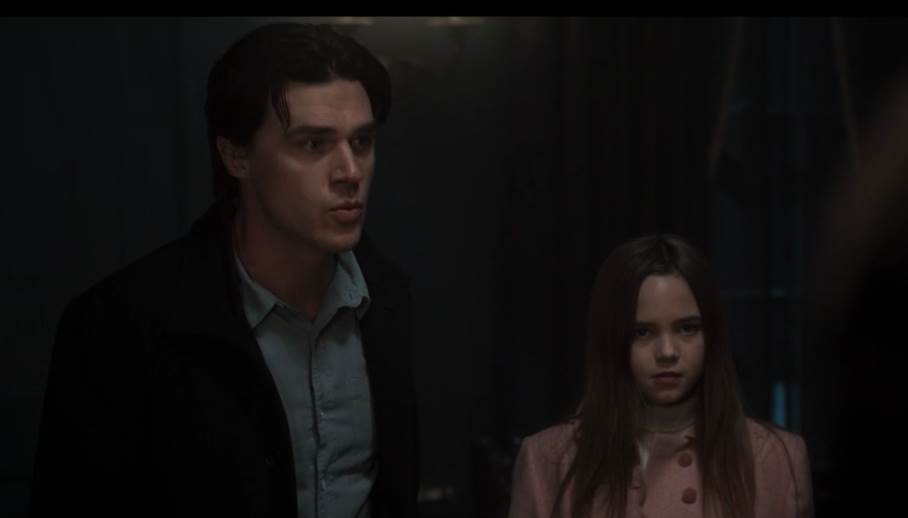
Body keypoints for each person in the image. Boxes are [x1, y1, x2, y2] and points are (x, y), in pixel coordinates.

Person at [29, 23, 418, 518]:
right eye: (313, 145)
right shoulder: (120, 325)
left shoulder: (385, 297)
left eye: (361, 141)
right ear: (236, 155)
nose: (350, 172)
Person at [508, 234, 812, 518]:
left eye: (687, 329)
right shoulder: (546, 460)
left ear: (712, 335)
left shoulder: (776, 458)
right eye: (642, 332)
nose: (667, 352)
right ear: (611, 339)